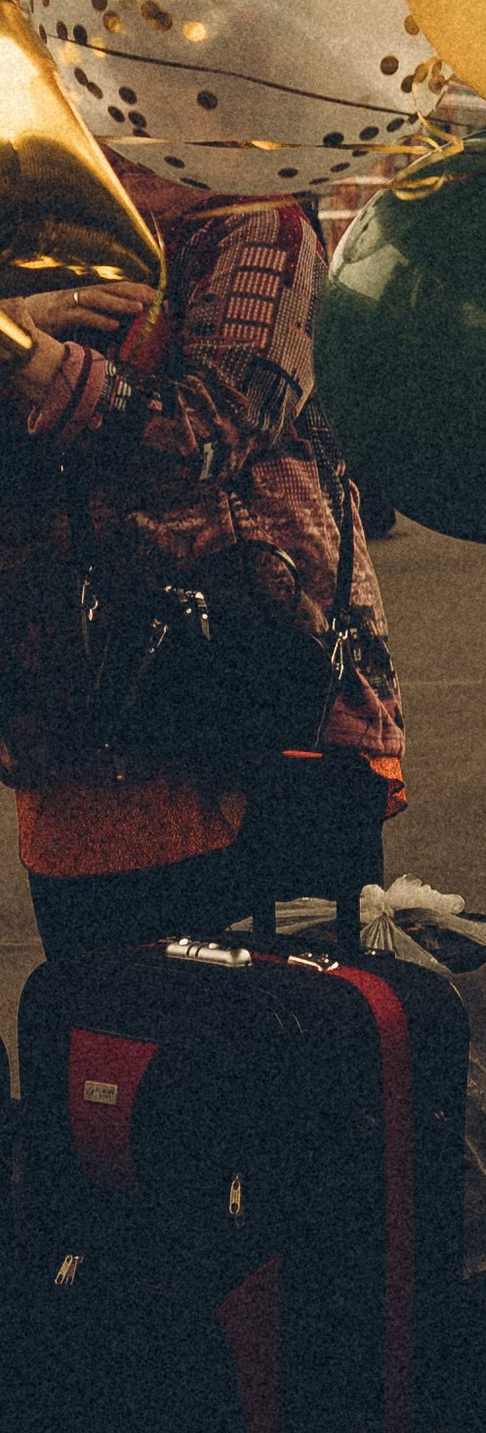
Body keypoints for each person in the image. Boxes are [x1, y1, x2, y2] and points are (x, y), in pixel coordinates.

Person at [0, 163, 402, 956]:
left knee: (272, 1034)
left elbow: (208, 427)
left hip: (248, 699)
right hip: (70, 712)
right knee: (105, 1040)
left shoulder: (255, 222)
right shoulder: (37, 233)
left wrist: (21, 349)